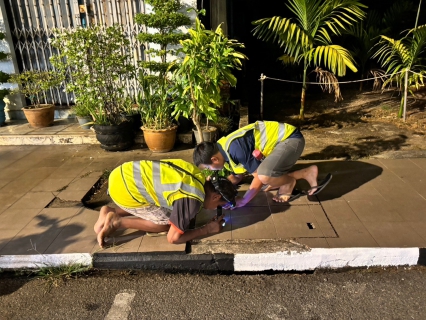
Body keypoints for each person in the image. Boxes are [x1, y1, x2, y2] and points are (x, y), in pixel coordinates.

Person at [94, 159, 237, 248]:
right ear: (215, 196)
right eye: (219, 206)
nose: (215, 209)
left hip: (122, 173)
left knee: (158, 200)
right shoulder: (192, 200)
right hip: (125, 192)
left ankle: (111, 210)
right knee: (167, 224)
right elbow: (173, 238)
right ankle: (117, 221)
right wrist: (207, 229)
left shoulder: (197, 174)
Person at [193, 121, 332, 208]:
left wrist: (244, 200)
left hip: (291, 140)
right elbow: (236, 178)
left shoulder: (235, 149)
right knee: (267, 181)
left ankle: (288, 182)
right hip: (279, 148)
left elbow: (258, 177)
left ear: (214, 159)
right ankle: (306, 173)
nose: (210, 171)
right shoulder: (223, 153)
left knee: (264, 177)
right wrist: (225, 193)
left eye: (208, 167)